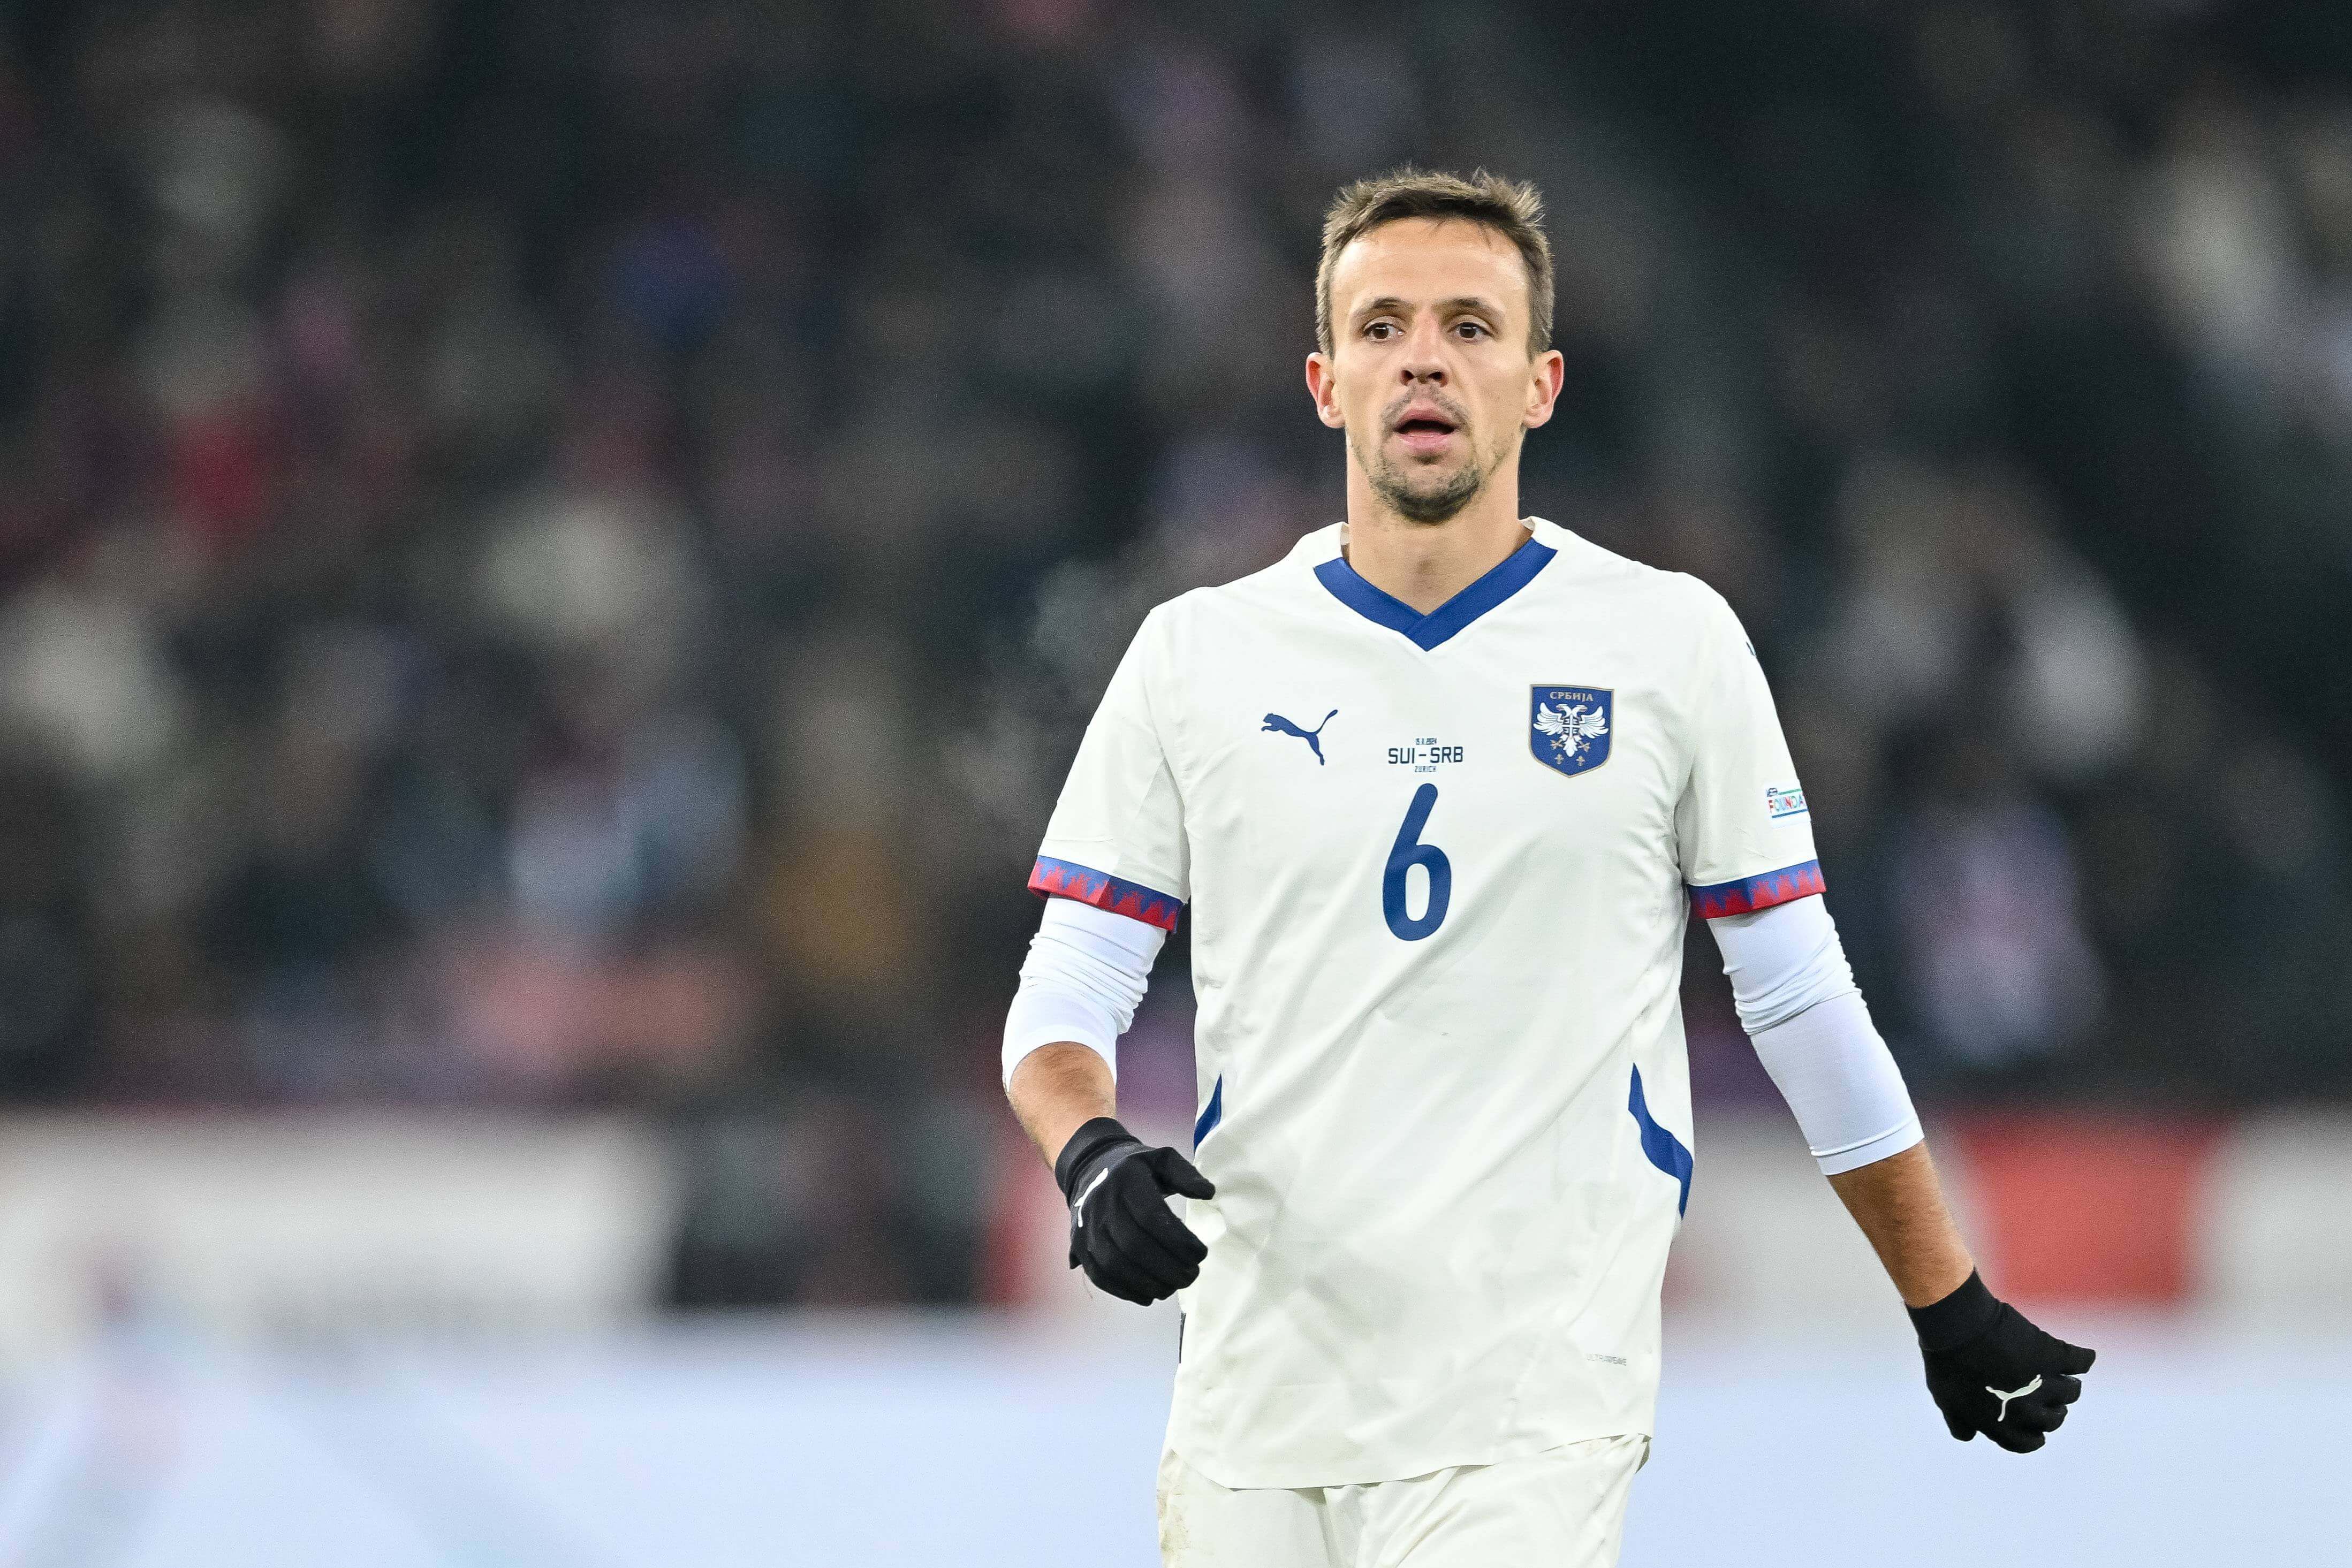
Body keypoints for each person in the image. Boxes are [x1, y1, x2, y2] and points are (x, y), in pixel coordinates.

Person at [1002, 168, 2093, 1567]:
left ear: (1539, 383)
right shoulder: (1197, 656)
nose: (1426, 356)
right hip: (1251, 1383)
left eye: (1470, 324)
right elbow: (1066, 987)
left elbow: (1797, 994)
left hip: (1528, 1380)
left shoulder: (1666, 645)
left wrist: (1945, 1299)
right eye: (1385, 325)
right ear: (1325, 382)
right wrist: (1088, 1152)